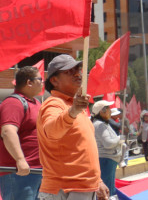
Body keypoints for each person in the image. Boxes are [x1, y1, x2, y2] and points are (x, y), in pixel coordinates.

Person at [37, 54, 108, 200]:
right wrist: (73, 111)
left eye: (78, 69)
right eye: (69, 71)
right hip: (66, 189)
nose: (77, 74)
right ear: (54, 80)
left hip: (78, 188)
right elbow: (51, 131)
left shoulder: (74, 106)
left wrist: (98, 181)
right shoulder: (54, 103)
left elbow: (83, 148)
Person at [0, 65, 44, 200]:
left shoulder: (36, 103)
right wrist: (20, 160)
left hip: (35, 171)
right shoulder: (13, 102)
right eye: (40, 80)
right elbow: (8, 132)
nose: (43, 83)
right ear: (29, 82)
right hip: (19, 172)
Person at [91, 100, 124, 196]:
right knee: (108, 189)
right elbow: (108, 143)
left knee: (109, 187)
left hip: (108, 160)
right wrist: (119, 139)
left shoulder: (103, 123)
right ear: (102, 111)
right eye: (108, 108)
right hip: (106, 160)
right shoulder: (100, 125)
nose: (110, 111)